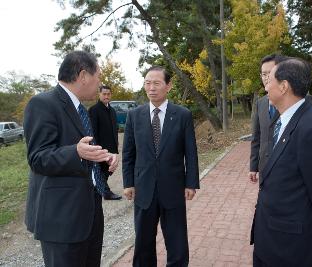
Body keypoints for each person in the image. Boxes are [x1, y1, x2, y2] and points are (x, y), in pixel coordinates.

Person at [23, 51, 118, 267]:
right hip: (62, 219)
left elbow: (84, 151)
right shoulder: (43, 103)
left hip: (89, 213)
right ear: (83, 75)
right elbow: (38, 158)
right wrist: (75, 152)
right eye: (98, 76)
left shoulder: (79, 109)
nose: (100, 82)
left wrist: (103, 158)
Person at [252, 58, 312, 267]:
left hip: (290, 247)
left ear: (284, 86)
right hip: (269, 238)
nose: (266, 84)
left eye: (270, 79)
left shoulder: (311, 129)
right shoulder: (283, 120)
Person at [122, 66, 199, 266]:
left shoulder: (182, 115)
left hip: (173, 189)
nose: (151, 88)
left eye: (156, 83)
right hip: (143, 189)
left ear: (168, 86)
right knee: (143, 242)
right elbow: (128, 153)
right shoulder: (134, 115)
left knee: (177, 242)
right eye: (148, 83)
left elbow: (190, 152)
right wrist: (128, 183)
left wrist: (191, 183)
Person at [249, 54, 287, 184]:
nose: (266, 78)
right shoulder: (261, 103)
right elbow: (256, 137)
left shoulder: (291, 101)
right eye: (263, 74)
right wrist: (253, 167)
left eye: (269, 73)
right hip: (265, 166)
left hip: (285, 167)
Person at [89, 85, 122, 200]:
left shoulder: (112, 110)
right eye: (104, 94)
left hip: (112, 147)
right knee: (103, 170)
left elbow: (115, 128)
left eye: (108, 94)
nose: (106, 96)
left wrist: (116, 142)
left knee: (109, 170)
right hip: (101, 148)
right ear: (100, 94)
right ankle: (106, 192)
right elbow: (92, 131)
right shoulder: (94, 110)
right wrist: (96, 148)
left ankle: (98, 188)